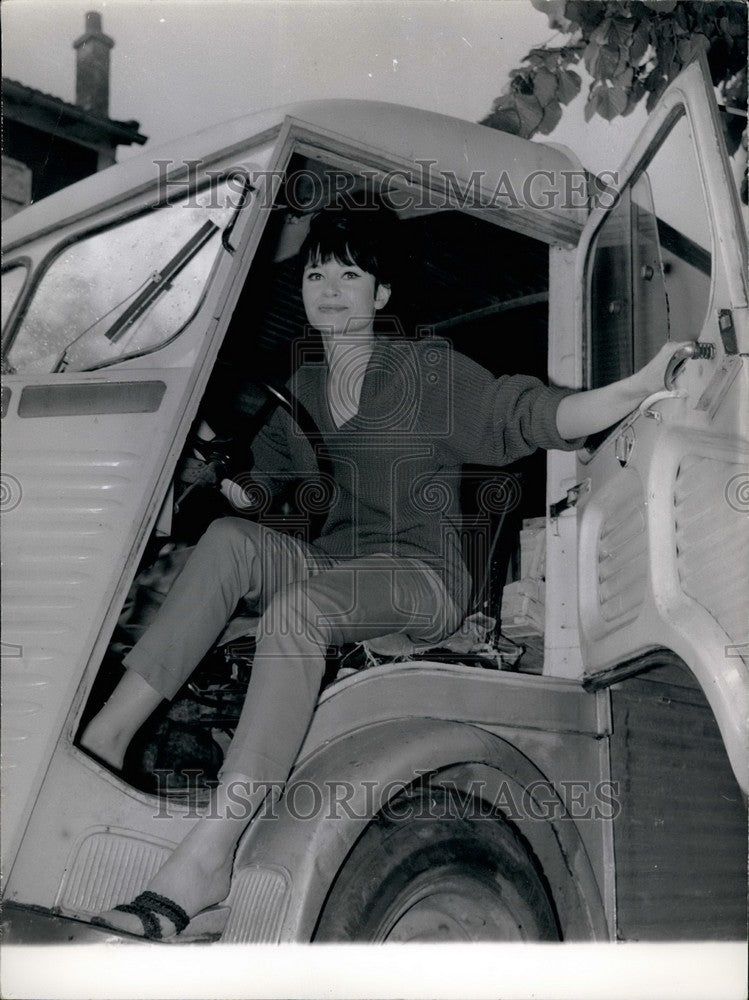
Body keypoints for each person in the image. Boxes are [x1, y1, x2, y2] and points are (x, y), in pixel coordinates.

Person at [81, 205, 688, 938]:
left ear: (381, 294)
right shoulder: (303, 384)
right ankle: (104, 744)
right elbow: (272, 482)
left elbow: (524, 414)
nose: (329, 287)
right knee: (229, 542)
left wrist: (635, 387)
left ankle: (211, 852)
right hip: (341, 562)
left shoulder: (423, 367)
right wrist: (237, 485)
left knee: (298, 609)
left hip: (423, 575)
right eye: (315, 273)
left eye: (349, 272)